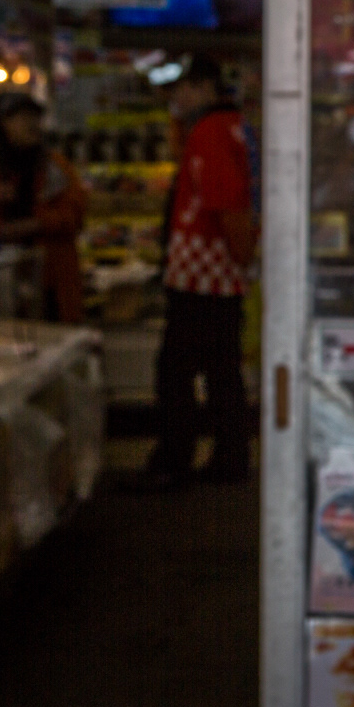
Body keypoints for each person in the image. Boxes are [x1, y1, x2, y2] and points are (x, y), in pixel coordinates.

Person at [146, 56, 256, 487]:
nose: (176, 98)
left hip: (202, 272)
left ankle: (176, 460)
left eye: (182, 88)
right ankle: (229, 458)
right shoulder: (235, 126)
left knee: (175, 371)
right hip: (219, 270)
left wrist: (241, 253)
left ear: (205, 86)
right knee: (221, 371)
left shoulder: (210, 131)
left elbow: (226, 202)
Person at [0, 93, 88, 322]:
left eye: (34, 116)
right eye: (19, 117)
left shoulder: (55, 166)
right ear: (0, 125)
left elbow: (75, 215)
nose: (30, 123)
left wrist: (34, 224)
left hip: (51, 278)